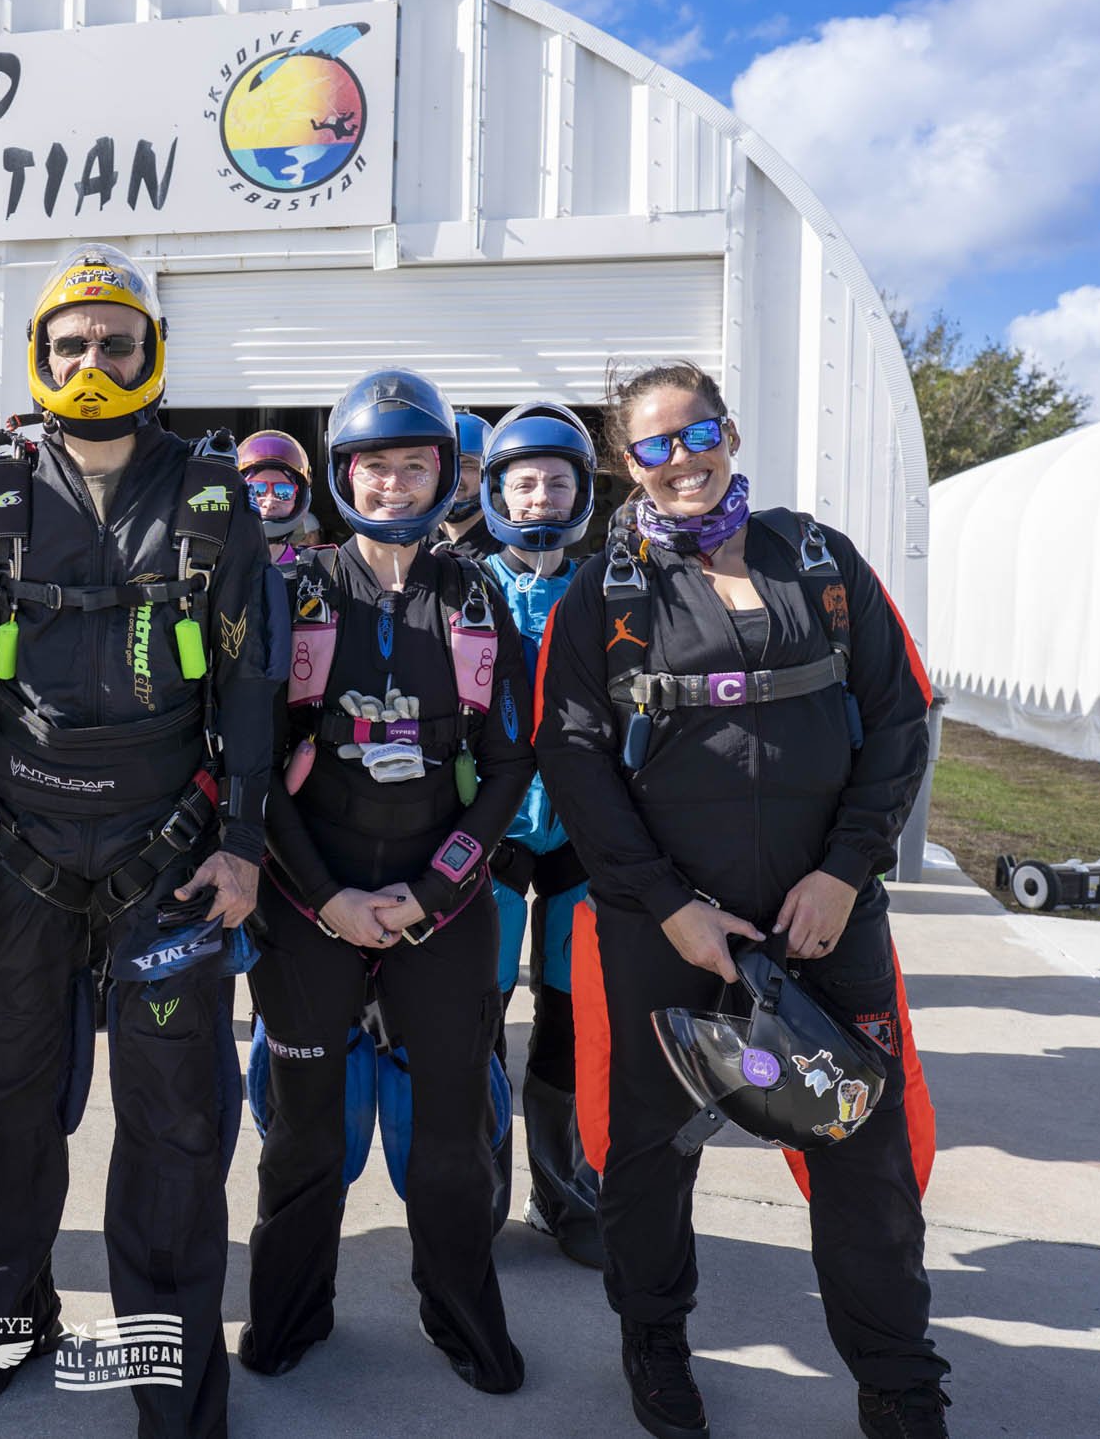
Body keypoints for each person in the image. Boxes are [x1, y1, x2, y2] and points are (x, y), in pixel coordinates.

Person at [534, 361, 949, 1439]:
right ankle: (656, 1345)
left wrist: (847, 869)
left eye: (697, 431)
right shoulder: (604, 593)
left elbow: (900, 718)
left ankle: (900, 1383)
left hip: (825, 914)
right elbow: (572, 755)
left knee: (864, 1155)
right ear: (627, 463)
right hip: (668, 928)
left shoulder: (818, 561)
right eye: (655, 445)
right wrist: (667, 903)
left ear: (725, 428)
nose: (682, 459)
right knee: (651, 1149)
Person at [0, 243, 273, 1439]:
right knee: (11, 1097)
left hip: (169, 859)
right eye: (69, 342)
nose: (90, 362)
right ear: (38, 354)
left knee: (174, 1117)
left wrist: (244, 844)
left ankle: (168, 1373)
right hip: (15, 849)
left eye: (114, 341)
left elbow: (255, 690)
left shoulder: (214, 497)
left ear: (152, 354)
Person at [242, 367, 534, 1393]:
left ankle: (460, 1315)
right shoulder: (294, 591)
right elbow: (252, 767)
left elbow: (507, 767)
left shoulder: (478, 594)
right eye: (376, 464)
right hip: (307, 896)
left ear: (447, 476)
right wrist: (325, 896)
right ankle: (287, 1308)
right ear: (342, 474)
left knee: (455, 1133)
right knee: (303, 1127)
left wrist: (432, 893)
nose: (395, 482)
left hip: (438, 906)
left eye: (416, 464)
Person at [475, 401, 605, 1267]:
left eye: (558, 482)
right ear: (494, 492)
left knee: (569, 1013)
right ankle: (475, 1182)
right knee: (477, 1012)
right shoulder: (463, 582)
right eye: (523, 483)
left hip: (582, 837)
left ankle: (562, 1188)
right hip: (487, 829)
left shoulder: (612, 583)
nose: (540, 498)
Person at [239, 430, 314, 566]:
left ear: (298, 499)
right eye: (257, 490)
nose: (269, 502)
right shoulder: (214, 568)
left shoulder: (316, 569)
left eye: (283, 491)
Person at [434, 410, 497, 560]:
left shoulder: (507, 550)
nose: (454, 476)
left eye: (467, 466)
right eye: (444, 465)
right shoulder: (409, 545)